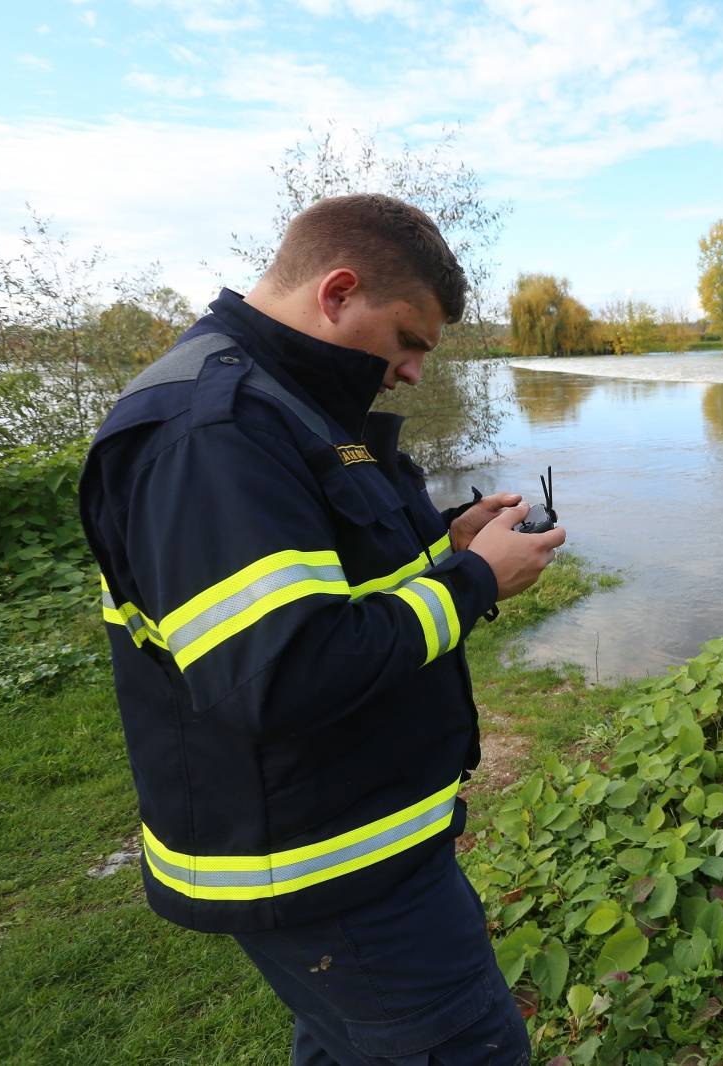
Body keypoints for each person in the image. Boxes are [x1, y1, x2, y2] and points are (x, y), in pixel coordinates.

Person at [78, 193, 561, 1064]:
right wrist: (478, 581)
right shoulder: (212, 430)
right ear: (338, 292)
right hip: (325, 868)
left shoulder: (284, 402)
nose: (413, 369)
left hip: (347, 838)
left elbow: (326, 578)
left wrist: (445, 541)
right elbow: (283, 671)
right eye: (408, 339)